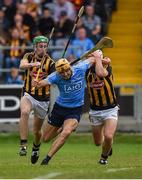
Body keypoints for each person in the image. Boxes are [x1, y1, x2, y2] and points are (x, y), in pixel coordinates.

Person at [32, 50, 110, 165]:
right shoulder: (56, 76)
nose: (65, 74)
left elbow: (94, 58)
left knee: (67, 132)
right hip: (59, 108)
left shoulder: (81, 67)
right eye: (62, 73)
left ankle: (47, 159)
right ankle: (60, 128)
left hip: (75, 109)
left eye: (66, 71)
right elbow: (41, 84)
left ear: (70, 68)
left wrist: (104, 60)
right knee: (46, 138)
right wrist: (36, 83)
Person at [19, 35, 55, 165]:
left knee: (37, 131)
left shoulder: (50, 62)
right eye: (40, 46)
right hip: (28, 94)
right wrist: (33, 64)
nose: (43, 49)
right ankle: (23, 145)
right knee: (24, 112)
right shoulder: (28, 56)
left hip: (43, 99)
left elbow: (53, 79)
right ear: (35, 47)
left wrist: (41, 82)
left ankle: (36, 147)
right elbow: (22, 66)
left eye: (45, 47)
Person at [85, 52, 119, 165]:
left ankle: (103, 158)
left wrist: (98, 58)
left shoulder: (107, 67)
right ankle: (107, 146)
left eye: (91, 57)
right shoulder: (86, 71)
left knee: (109, 136)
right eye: (89, 57)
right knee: (98, 142)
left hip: (110, 109)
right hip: (95, 111)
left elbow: (100, 72)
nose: (90, 59)